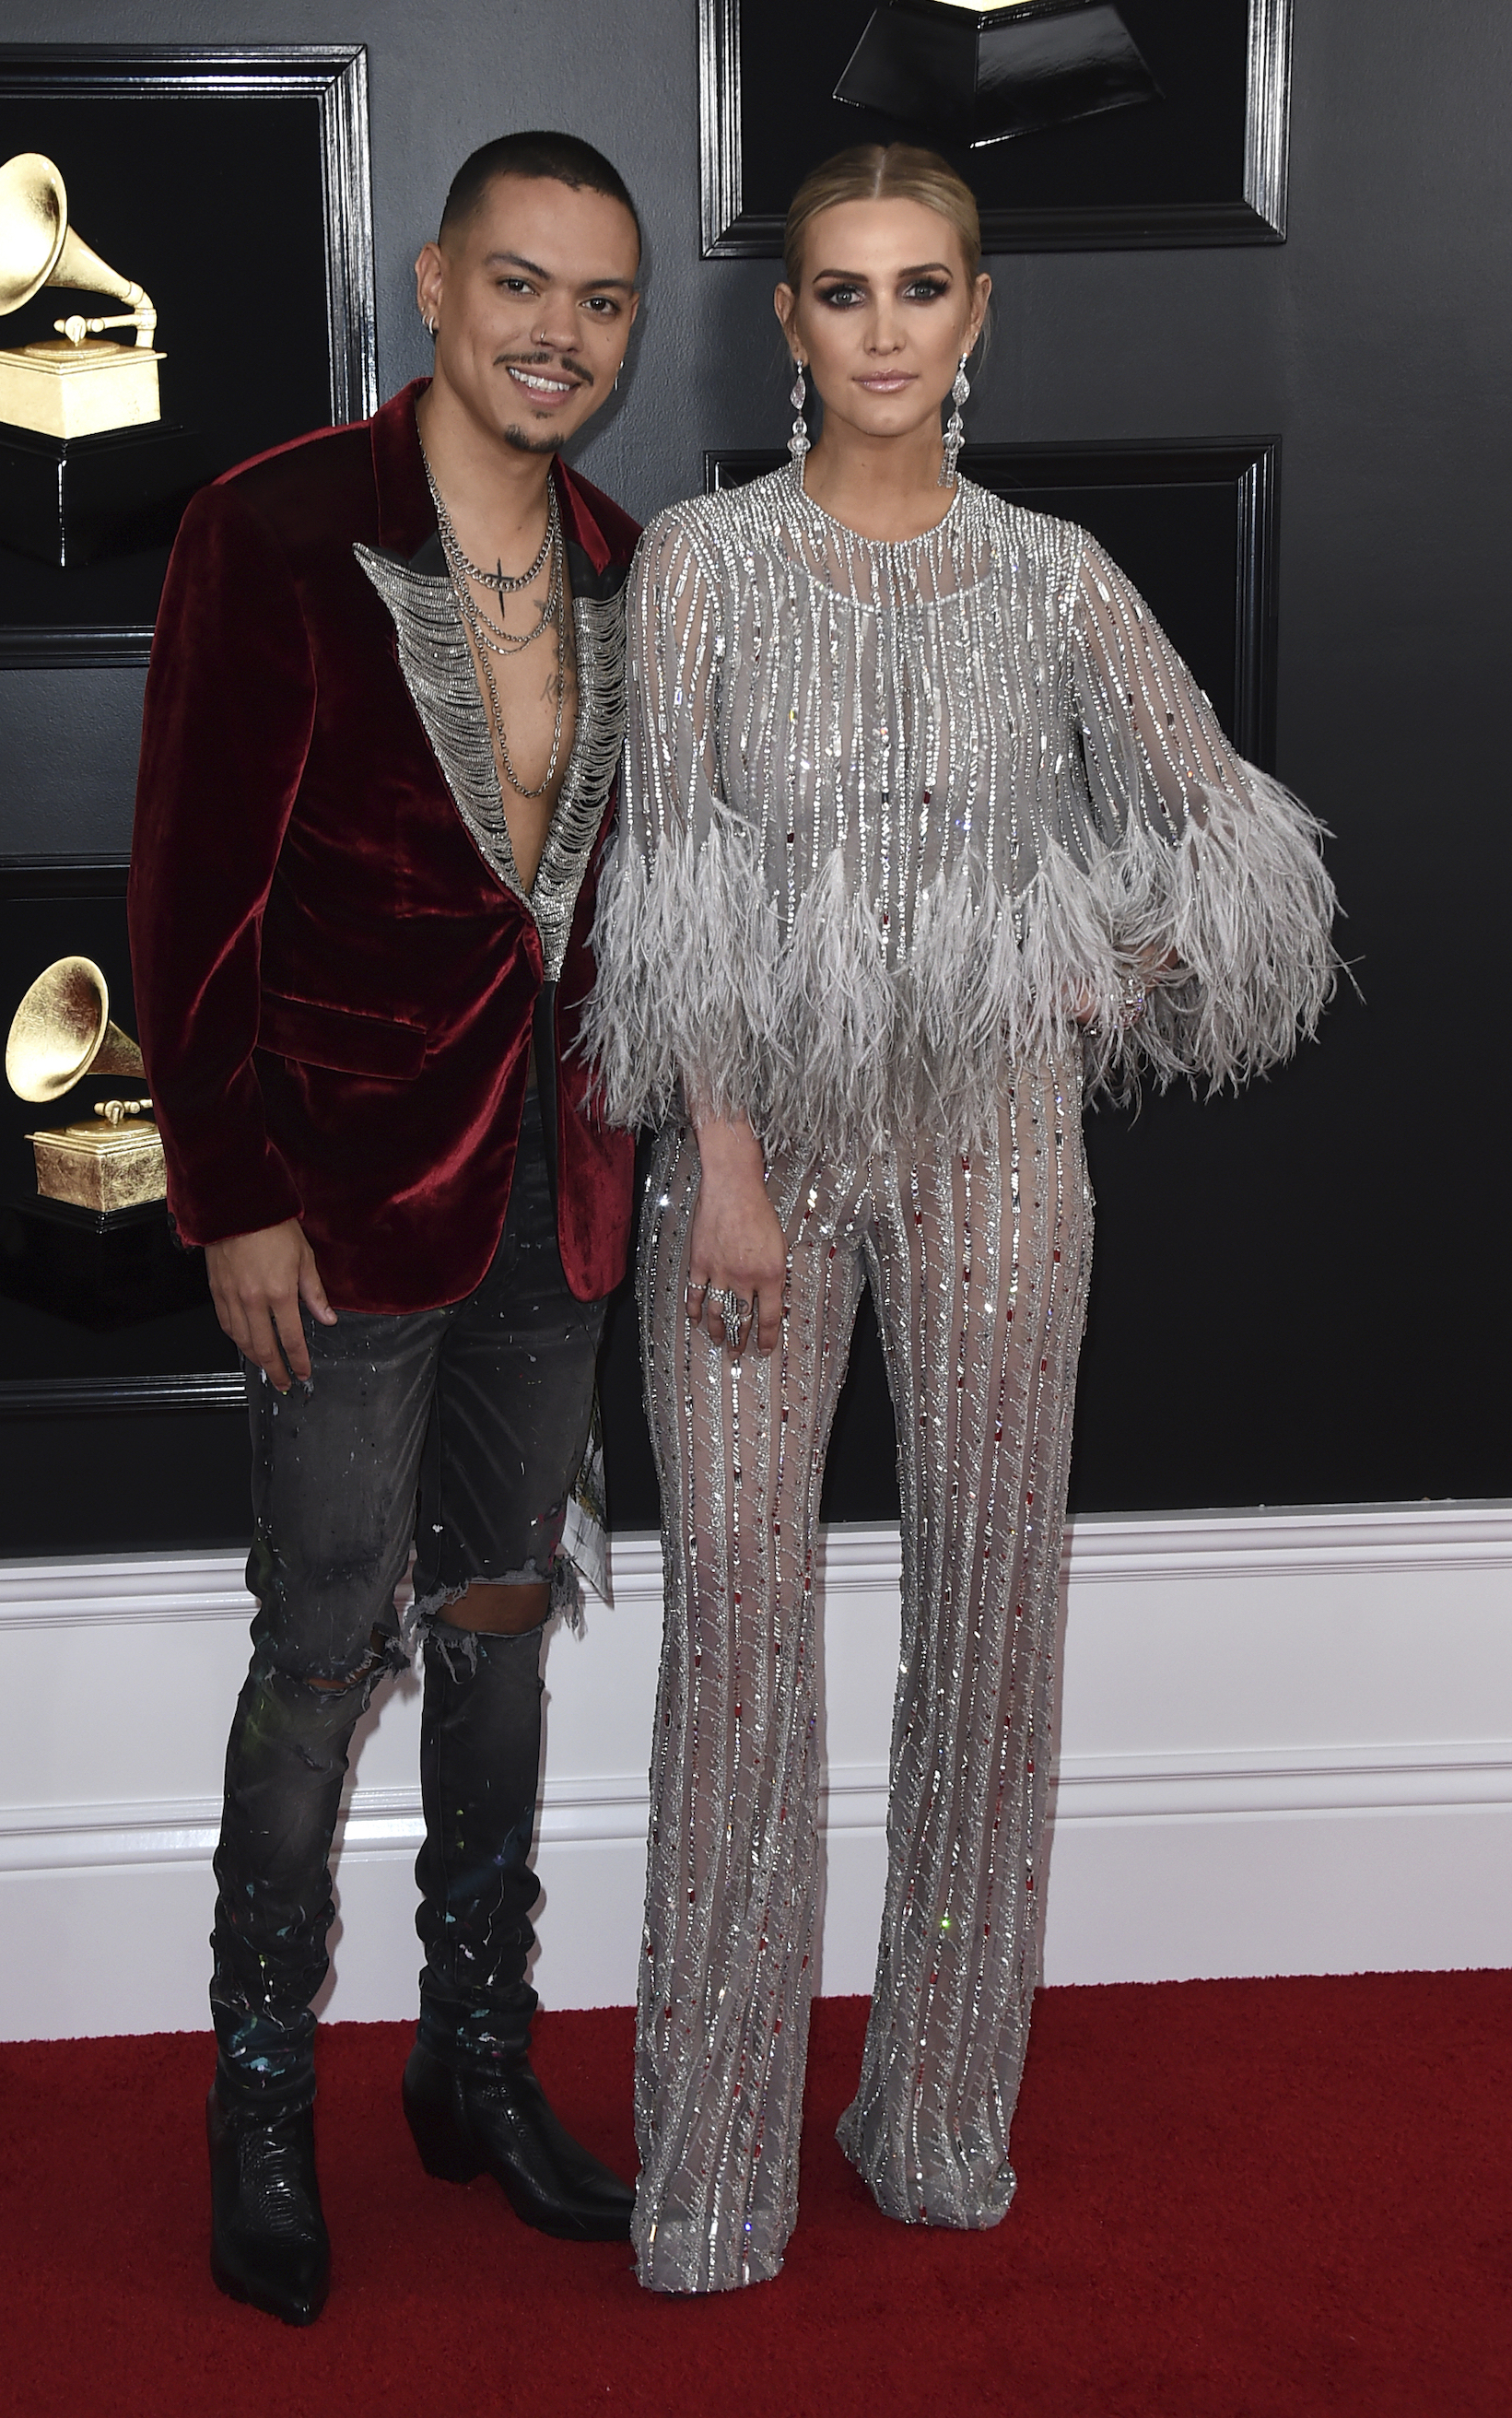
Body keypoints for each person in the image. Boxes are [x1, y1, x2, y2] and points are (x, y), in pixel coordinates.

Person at [584, 143, 1337, 2295]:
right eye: (844, 293)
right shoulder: (708, 570)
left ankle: (931, 2119)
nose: (886, 330)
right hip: (755, 1162)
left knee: (991, 1625)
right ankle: (715, 2166)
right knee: (741, 1630)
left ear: (978, 316)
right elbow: (676, 907)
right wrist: (718, 1168)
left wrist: (1092, 949)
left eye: (924, 289)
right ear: (790, 323)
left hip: (1004, 1151)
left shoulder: (1061, 577)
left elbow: (1234, 847)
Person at [128, 131, 644, 2326]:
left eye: (601, 303)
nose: (559, 334)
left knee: (504, 1618)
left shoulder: (627, 557)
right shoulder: (273, 528)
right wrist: (228, 1191)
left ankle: (474, 2058)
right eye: (522, 285)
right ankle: (260, 2101)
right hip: (333, 1205)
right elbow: (182, 887)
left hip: (559, 1186)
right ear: (435, 283)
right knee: (322, 1645)